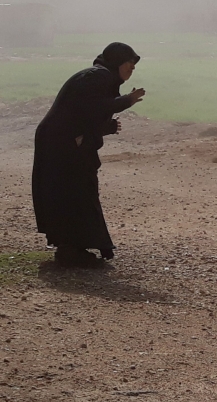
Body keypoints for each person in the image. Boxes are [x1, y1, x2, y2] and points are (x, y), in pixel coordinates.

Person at [32, 42, 145, 267]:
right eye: (129, 64)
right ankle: (70, 250)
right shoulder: (97, 77)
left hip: (64, 142)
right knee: (74, 193)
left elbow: (84, 115)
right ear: (117, 62)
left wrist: (106, 127)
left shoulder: (101, 78)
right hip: (61, 144)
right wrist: (126, 101)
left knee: (77, 192)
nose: (132, 69)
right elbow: (91, 108)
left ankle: (74, 248)